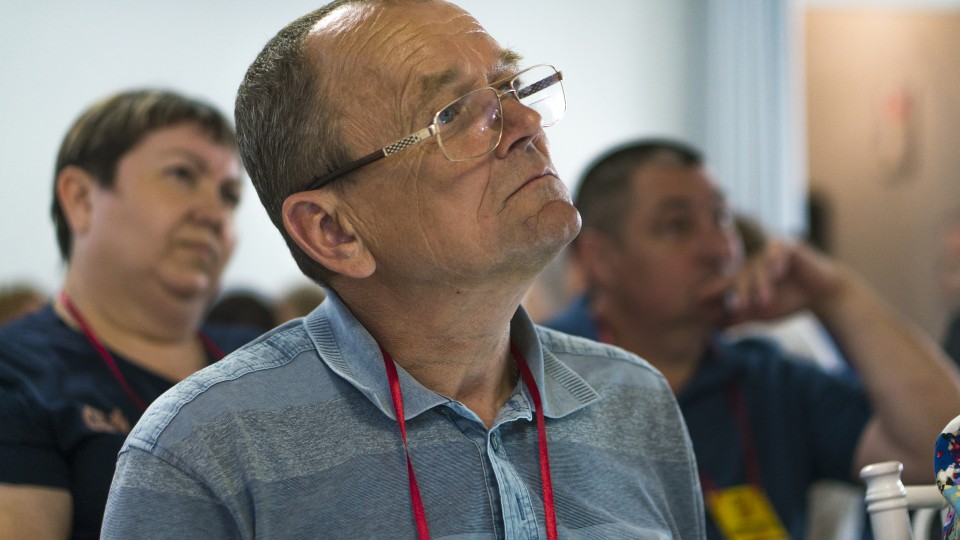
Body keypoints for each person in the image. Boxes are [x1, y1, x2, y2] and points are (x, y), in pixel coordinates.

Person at [101, 2, 705, 538]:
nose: (527, 124)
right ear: (333, 231)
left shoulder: (634, 399)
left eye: (510, 87)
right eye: (454, 114)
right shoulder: (206, 451)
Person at [544, 138, 960, 539]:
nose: (719, 249)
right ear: (600, 258)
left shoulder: (766, 378)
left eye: (722, 217)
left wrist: (834, 296)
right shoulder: (537, 374)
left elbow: (943, 454)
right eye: (676, 226)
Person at [0, 89, 261, 540]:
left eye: (229, 194)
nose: (213, 213)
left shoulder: (262, 361)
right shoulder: (17, 373)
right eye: (181, 174)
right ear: (81, 199)